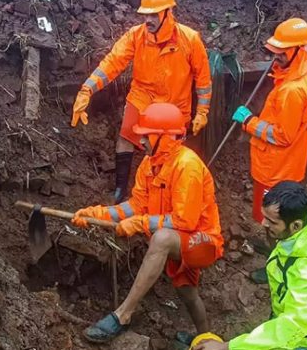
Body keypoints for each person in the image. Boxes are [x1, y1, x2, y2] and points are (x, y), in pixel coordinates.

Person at [70, 102, 224, 344]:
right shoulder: (150, 164)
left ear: (163, 136)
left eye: (145, 136)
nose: (140, 142)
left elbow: (185, 220)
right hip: (179, 239)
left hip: (203, 241)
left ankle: (123, 315)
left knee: (161, 239)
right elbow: (136, 205)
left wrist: (140, 224)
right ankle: (207, 339)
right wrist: (97, 215)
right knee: (187, 292)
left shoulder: (187, 166)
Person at [71, 0, 212, 203]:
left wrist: (202, 111)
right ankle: (120, 191)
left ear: (167, 13)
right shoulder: (136, 36)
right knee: (126, 138)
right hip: (142, 98)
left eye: (154, 15)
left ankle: (166, 196)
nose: (148, 20)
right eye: (145, 15)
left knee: (169, 154)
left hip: (174, 108)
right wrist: (87, 88)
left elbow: (203, 79)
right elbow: (112, 62)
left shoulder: (190, 40)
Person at [194, 181, 307, 350]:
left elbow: (291, 328)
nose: (263, 223)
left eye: (272, 221)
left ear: (296, 225)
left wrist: (226, 347)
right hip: (293, 324)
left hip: (304, 342)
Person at [232, 18, 307, 224]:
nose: (276, 55)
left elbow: (282, 135)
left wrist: (249, 121)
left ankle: (268, 245)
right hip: (290, 163)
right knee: (282, 212)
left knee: (268, 215)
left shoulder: (292, 91)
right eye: (276, 50)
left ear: (299, 49)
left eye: (283, 51)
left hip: (275, 167)